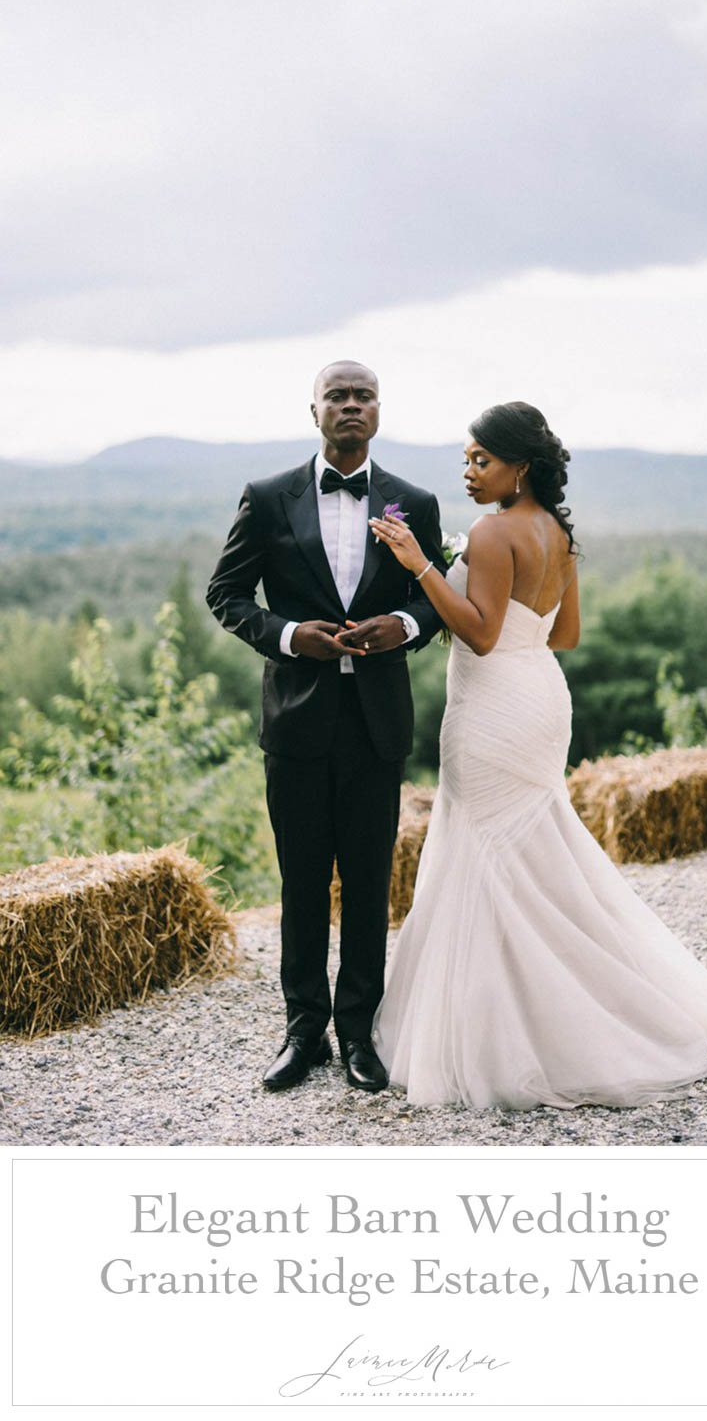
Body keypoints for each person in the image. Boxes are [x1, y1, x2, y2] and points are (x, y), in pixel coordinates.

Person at [369, 401, 707, 1109]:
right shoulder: (559, 533)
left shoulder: (491, 533)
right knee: (532, 852)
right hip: (541, 701)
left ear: (520, 465)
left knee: (487, 852)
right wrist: (509, 622)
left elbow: (480, 637)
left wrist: (423, 566)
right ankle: (572, 1001)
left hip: (491, 710)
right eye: (465, 459)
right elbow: (565, 635)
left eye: (481, 460)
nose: (468, 471)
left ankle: (505, 1036)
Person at [206, 361, 444, 1093]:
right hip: (297, 726)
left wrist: (401, 625)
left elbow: (436, 598)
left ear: (378, 411)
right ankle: (301, 1029)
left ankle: (358, 1035)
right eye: (336, 395)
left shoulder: (414, 501)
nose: (349, 405)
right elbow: (226, 594)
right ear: (313, 411)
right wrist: (288, 636)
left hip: (376, 726)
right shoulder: (269, 496)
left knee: (370, 883)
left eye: (361, 395)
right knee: (303, 881)